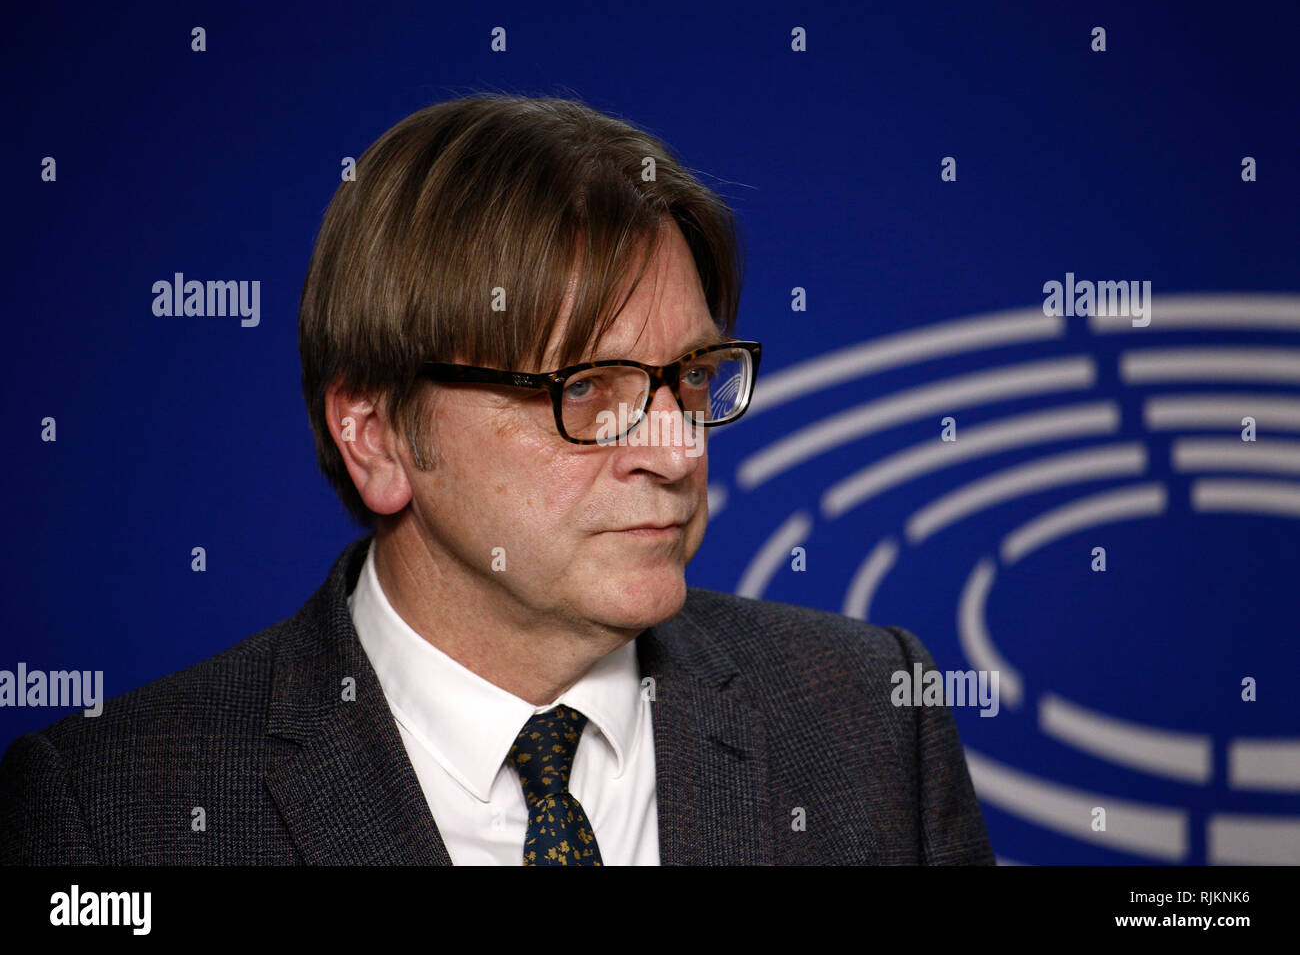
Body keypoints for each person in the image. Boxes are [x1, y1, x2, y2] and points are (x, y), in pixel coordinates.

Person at [0, 93, 994, 865]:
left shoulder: (867, 714)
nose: (676, 449)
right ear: (378, 435)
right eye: (589, 387)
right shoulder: (112, 810)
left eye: (689, 378)